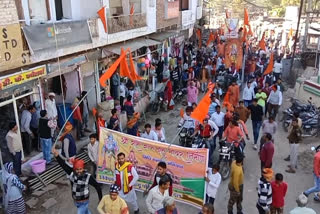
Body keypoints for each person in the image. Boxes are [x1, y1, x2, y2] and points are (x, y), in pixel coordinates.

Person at [52, 146, 102, 214]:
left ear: (83, 168)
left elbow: (97, 186)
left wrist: (100, 199)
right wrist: (57, 155)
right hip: (76, 200)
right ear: (74, 169)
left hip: (84, 200)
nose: (79, 171)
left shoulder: (87, 176)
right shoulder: (72, 173)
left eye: (80, 169)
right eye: (77, 169)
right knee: (86, 212)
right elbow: (63, 165)